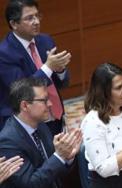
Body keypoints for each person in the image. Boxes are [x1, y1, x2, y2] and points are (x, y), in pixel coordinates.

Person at [0, 0, 71, 134]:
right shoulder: (4, 53)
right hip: (27, 122)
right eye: (29, 18)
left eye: (37, 16)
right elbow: (21, 92)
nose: (36, 21)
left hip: (55, 113)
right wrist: (49, 67)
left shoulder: (45, 40)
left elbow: (61, 83)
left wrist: (60, 70)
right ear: (14, 24)